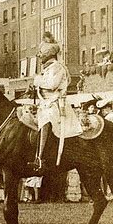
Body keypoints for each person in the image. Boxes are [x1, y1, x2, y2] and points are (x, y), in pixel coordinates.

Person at [30, 35, 71, 172]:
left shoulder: (57, 67)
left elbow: (52, 85)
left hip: (56, 102)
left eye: (41, 54)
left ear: (49, 54)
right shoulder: (47, 69)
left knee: (46, 119)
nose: (40, 56)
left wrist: (37, 81)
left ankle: (40, 157)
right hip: (46, 102)